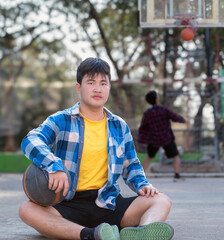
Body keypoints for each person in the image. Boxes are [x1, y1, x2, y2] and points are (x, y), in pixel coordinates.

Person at [19, 58, 174, 240]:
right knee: (27, 209)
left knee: (161, 200)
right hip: (68, 203)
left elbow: (131, 164)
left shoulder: (119, 126)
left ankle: (142, 233)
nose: (97, 88)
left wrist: (143, 185)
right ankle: (92, 235)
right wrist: (54, 166)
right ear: (79, 87)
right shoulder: (62, 120)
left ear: (109, 87)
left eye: (103, 83)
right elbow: (31, 140)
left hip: (108, 203)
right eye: (91, 82)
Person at [138, 90, 186, 182]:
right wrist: (184, 120)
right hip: (166, 138)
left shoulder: (147, 113)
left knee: (149, 157)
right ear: (156, 99)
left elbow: (143, 127)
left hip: (154, 139)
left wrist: (142, 139)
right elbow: (175, 117)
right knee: (175, 156)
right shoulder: (163, 109)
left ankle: (140, 178)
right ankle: (177, 176)